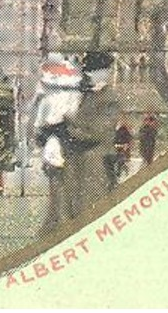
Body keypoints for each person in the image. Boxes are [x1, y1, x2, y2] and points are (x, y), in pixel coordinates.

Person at [54, 50, 121, 234]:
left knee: (92, 213)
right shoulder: (85, 96)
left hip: (96, 164)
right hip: (76, 164)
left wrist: (67, 128)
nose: (88, 75)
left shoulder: (109, 99)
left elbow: (97, 131)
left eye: (92, 71)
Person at [31, 54, 83, 236]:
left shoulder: (47, 96)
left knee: (56, 184)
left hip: (55, 141)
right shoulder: (76, 93)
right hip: (70, 142)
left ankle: (57, 221)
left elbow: (38, 124)